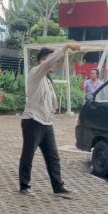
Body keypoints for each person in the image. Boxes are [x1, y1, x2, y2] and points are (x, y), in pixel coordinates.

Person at [18, 44, 80, 195]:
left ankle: (58, 186)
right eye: (51, 60)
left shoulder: (47, 79)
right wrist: (65, 47)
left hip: (46, 123)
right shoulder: (36, 72)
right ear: (43, 60)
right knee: (28, 154)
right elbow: (49, 62)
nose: (54, 64)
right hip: (33, 120)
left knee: (53, 156)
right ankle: (24, 186)